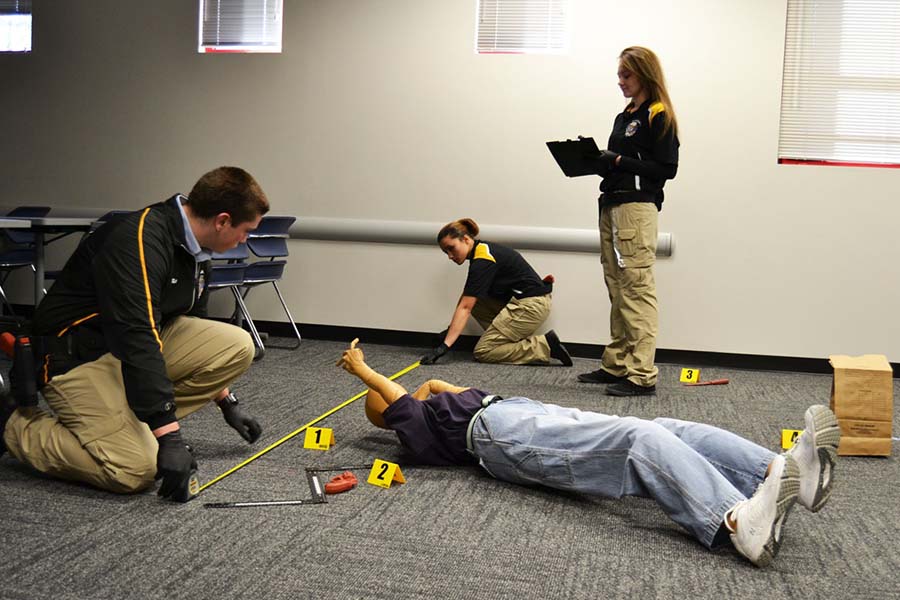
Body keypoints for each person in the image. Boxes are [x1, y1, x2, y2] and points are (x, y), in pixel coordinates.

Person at [338, 339, 841, 567]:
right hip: (505, 440)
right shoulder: (418, 432)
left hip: (522, 413)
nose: (409, 392)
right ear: (389, 415)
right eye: (390, 398)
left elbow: (427, 383)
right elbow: (402, 399)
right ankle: (738, 524)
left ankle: (779, 470)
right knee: (637, 444)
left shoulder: (437, 404)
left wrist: (425, 386)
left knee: (664, 425)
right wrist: (364, 372)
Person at [0, 166, 269, 502]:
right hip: (75, 356)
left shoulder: (198, 252)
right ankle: (13, 426)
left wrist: (226, 401)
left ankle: (129, 422)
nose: (245, 240)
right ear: (223, 220)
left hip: (121, 351)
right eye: (246, 231)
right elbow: (138, 335)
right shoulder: (141, 239)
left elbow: (187, 327)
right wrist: (168, 437)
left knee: (238, 345)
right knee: (135, 469)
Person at [578, 46, 680, 396]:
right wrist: (595, 160)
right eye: (619, 74)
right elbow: (624, 160)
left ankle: (641, 375)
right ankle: (617, 364)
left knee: (636, 288)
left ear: (644, 74)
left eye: (626, 75)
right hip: (612, 204)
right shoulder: (626, 115)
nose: (620, 81)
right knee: (617, 286)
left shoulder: (658, 114)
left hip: (636, 209)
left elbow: (667, 169)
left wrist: (618, 160)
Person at [419, 218, 572, 367]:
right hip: (528, 302)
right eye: (446, 252)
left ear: (465, 239)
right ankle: (506, 340)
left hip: (530, 306)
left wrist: (444, 347)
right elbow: (467, 300)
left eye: (451, 248)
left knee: (484, 351)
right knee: (474, 300)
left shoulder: (483, 261)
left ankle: (544, 346)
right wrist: (450, 330)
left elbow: (465, 308)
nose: (450, 256)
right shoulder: (483, 251)